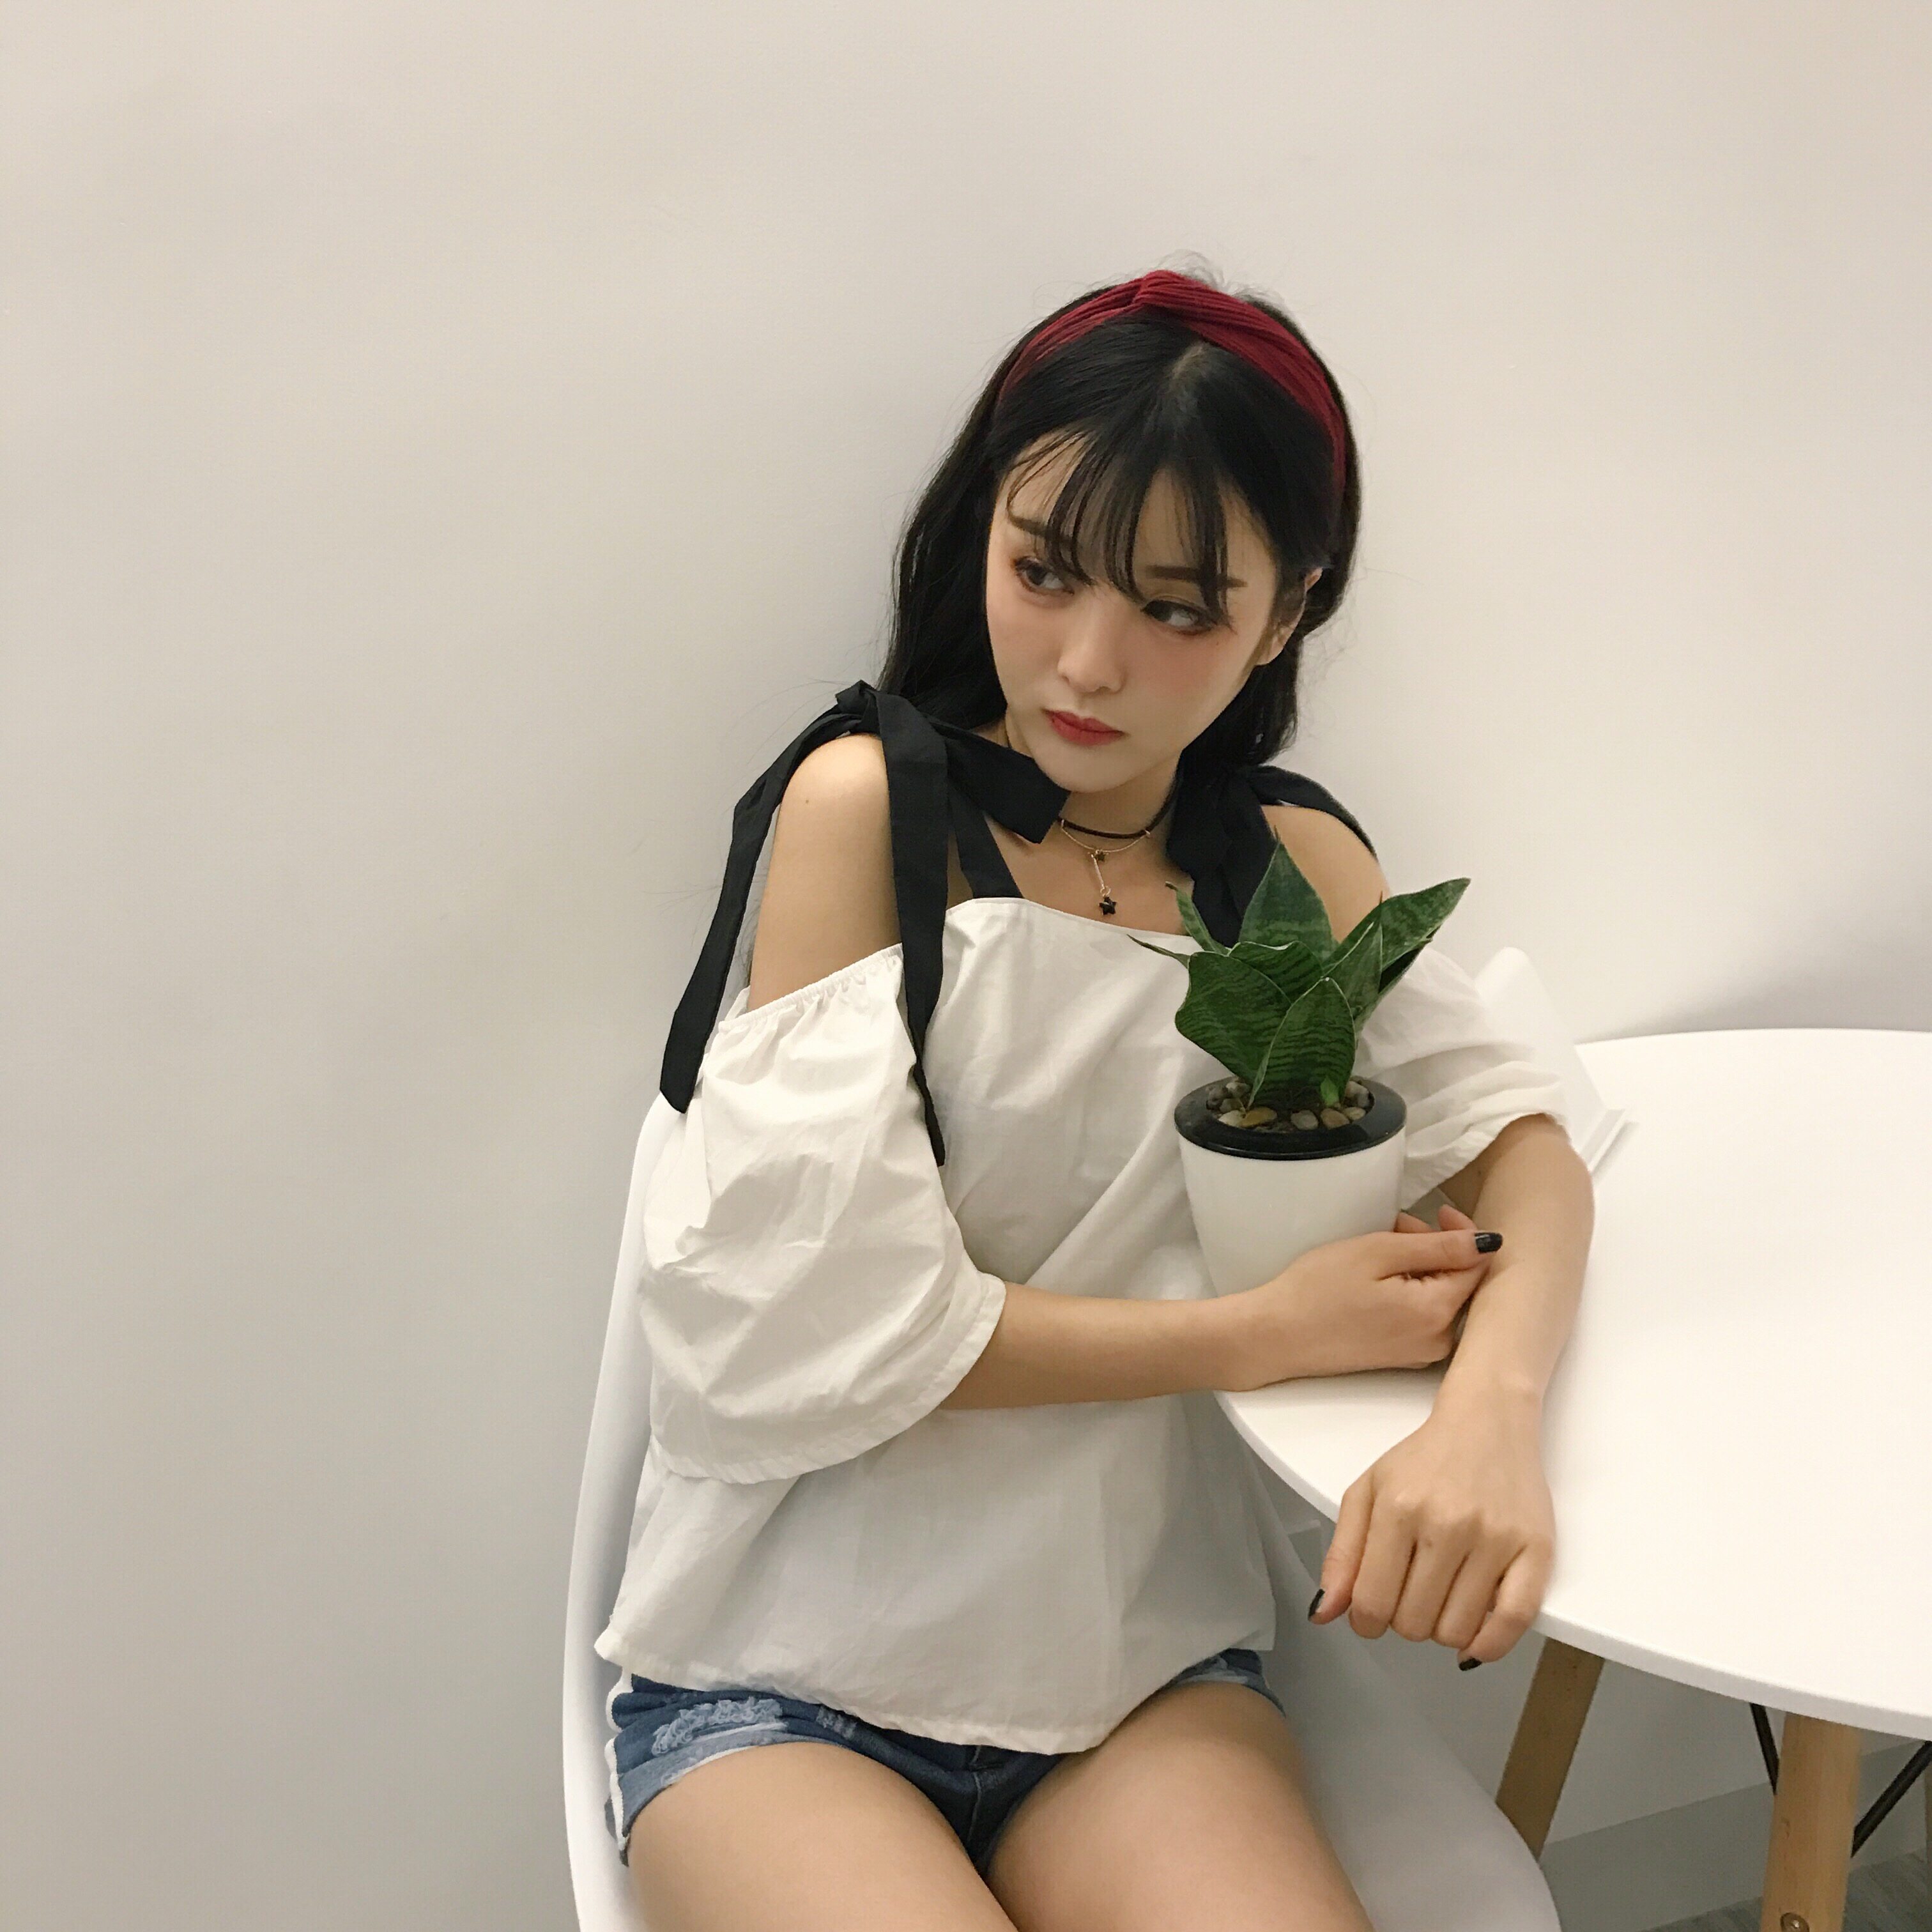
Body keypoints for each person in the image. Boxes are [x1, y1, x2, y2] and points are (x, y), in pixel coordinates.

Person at [595, 265, 1593, 1931]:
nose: (1086, 662)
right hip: (784, 1676)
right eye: (1043, 570)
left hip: (1141, 1675)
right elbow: (842, 1327)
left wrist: (1491, 1419)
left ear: (1289, 612)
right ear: (982, 526)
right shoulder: (869, 814)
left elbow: (1527, 1150)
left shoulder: (1286, 865)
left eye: (1178, 610)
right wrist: (1260, 1332)